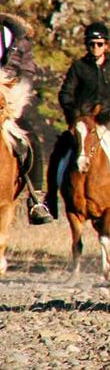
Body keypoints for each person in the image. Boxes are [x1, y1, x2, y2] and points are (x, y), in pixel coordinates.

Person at [40, 21, 110, 220]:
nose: (95, 47)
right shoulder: (78, 67)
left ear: (106, 45)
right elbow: (65, 94)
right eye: (91, 44)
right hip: (85, 121)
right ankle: (50, 200)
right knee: (59, 151)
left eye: (99, 43)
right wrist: (75, 116)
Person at [0, 13, 52, 224]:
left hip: (9, 97)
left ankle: (36, 197)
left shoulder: (19, 39)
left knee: (30, 139)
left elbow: (27, 72)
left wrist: (15, 96)